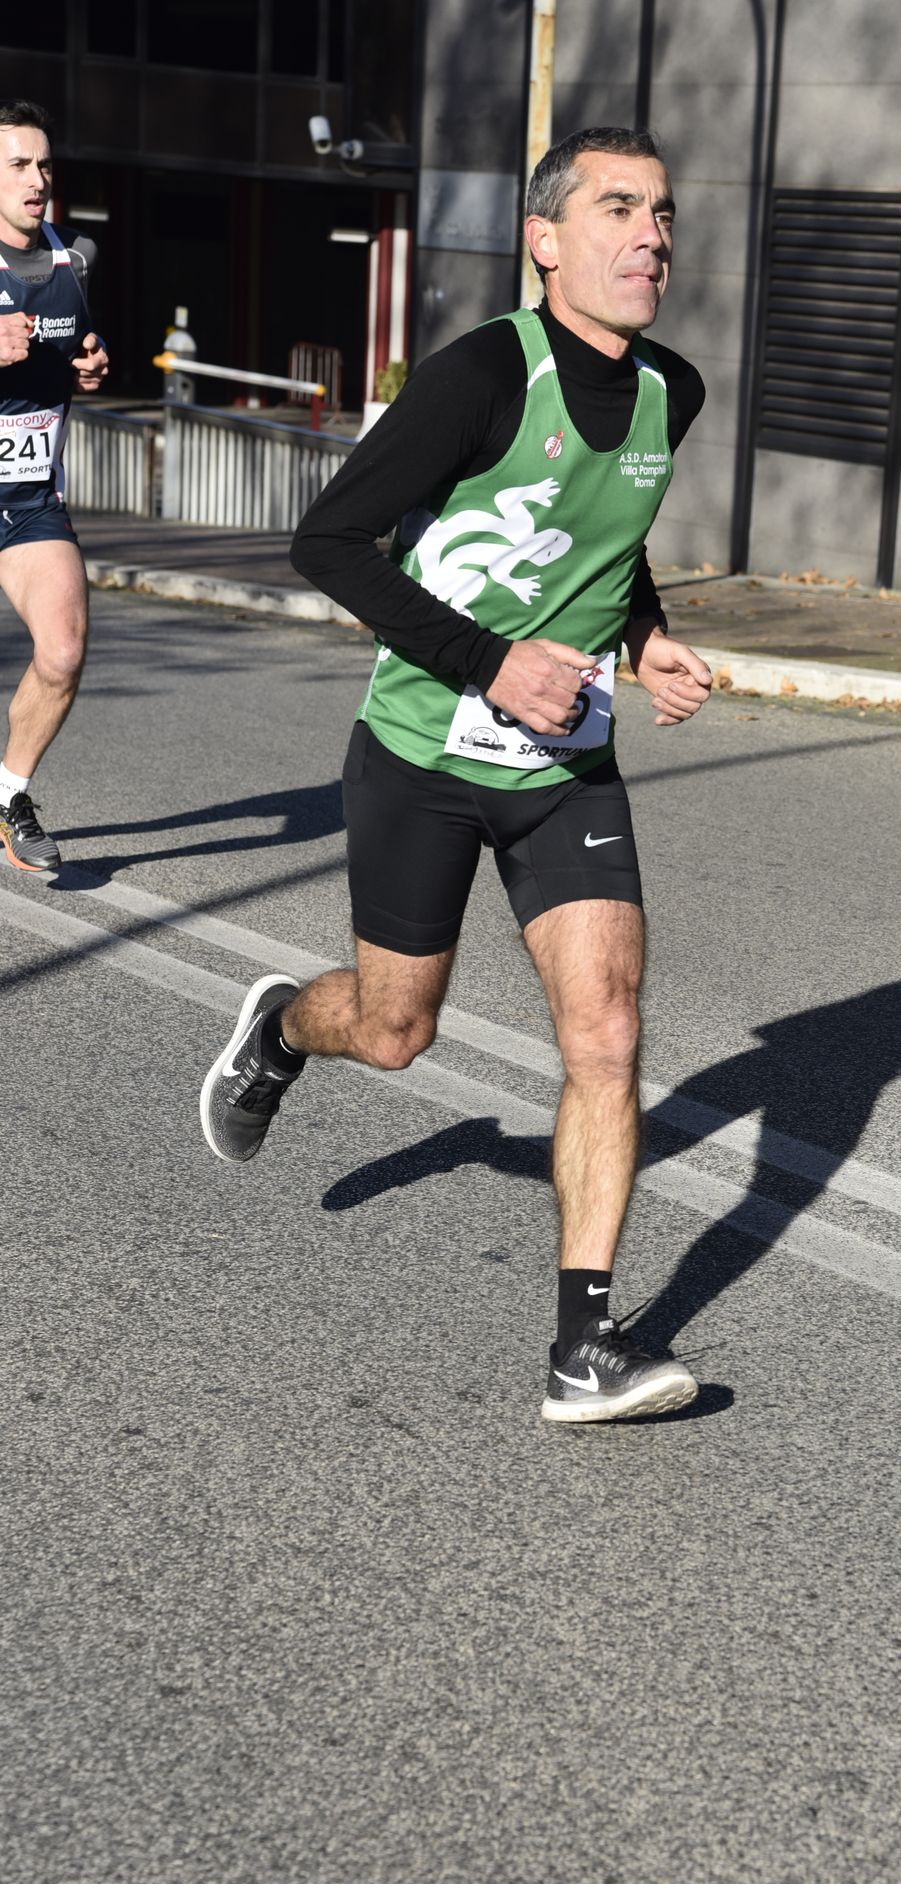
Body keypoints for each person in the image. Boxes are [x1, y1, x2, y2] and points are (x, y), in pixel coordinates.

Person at [200, 127, 713, 1424]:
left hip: (566, 766)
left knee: (606, 1031)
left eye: (661, 213)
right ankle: (279, 1028)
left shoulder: (673, 393)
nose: (650, 235)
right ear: (545, 241)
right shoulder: (480, 377)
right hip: (423, 752)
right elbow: (329, 541)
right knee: (393, 1031)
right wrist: (489, 662)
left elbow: (606, 543)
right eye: (617, 209)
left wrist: (644, 636)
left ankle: (583, 1347)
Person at [0, 99, 109, 876]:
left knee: (63, 651)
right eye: (17, 165)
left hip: (29, 499)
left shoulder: (75, 257)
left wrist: (93, 365)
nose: (36, 179)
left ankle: (9, 797)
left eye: (43, 164)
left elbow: (82, 347)